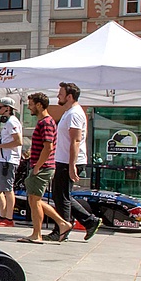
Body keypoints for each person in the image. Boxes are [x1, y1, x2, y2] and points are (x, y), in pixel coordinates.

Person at [47, 81, 101, 241]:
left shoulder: (74, 114)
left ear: (69, 96)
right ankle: (89, 221)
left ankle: (61, 229)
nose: (58, 96)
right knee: (61, 195)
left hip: (68, 161)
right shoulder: (69, 112)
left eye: (61, 94)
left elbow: (76, 141)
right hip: (63, 160)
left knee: (61, 196)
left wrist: (72, 165)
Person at [18, 92, 70, 243]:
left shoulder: (45, 123)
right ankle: (62, 223)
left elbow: (48, 147)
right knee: (35, 199)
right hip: (42, 165)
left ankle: (37, 234)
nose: (29, 108)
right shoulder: (46, 122)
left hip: (42, 167)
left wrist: (37, 167)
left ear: (39, 105)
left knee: (34, 200)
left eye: (31, 105)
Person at [0, 97, 23, 227]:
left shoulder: (12, 122)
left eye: (0, 107)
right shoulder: (7, 123)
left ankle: (9, 218)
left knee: (7, 189)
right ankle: (2, 215)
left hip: (9, 160)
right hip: (1, 159)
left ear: (8, 108)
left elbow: (18, 141)